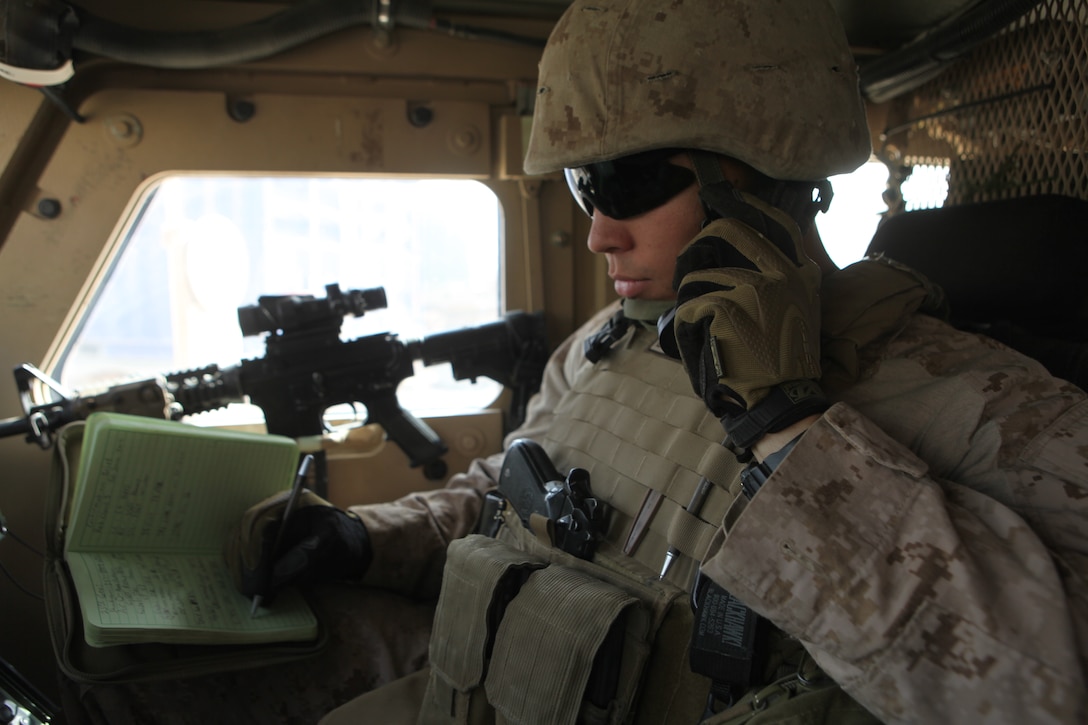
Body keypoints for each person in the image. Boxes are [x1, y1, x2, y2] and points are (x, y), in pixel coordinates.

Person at [229, 0, 1088, 722]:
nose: (600, 230)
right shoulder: (611, 343)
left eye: (627, 183)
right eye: (581, 187)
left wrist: (788, 427)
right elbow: (510, 493)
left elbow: (1044, 687)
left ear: (760, 175)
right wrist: (362, 538)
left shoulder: (989, 403)